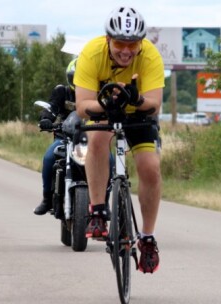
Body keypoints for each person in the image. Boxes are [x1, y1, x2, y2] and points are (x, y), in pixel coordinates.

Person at [74, 6, 165, 274]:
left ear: (140, 43)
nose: (126, 50)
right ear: (107, 40)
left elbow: (155, 105)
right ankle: (99, 211)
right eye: (119, 43)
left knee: (150, 167)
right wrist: (106, 103)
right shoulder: (91, 53)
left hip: (138, 115)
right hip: (104, 112)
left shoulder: (149, 56)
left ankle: (147, 238)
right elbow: (82, 106)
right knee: (98, 140)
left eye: (132, 44)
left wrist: (135, 99)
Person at [33, 59, 78, 215]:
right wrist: (46, 119)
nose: (79, 81)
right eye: (76, 77)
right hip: (65, 138)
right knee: (49, 158)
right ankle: (47, 199)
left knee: (110, 161)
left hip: (90, 139)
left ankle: (103, 205)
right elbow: (51, 108)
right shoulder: (62, 92)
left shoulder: (97, 92)